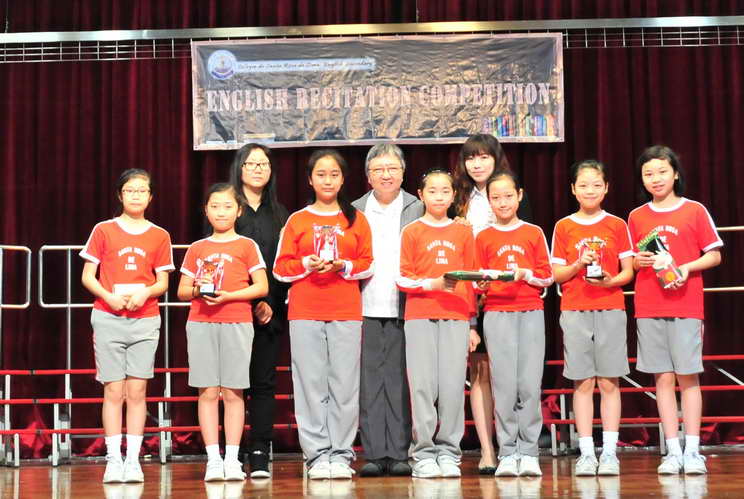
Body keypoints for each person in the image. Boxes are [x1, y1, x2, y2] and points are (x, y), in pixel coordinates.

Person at [273, 149, 373, 480]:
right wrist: (306, 263)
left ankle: (341, 454)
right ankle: (316, 455)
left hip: (346, 310)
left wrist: (344, 265)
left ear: (343, 180)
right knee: (310, 384)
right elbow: (280, 269)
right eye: (321, 174)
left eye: (334, 174)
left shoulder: (356, 219)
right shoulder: (297, 220)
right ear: (310, 179)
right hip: (305, 310)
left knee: (345, 385)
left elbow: (368, 263)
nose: (327, 180)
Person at [628, 145, 722, 475]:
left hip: (686, 304)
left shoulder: (694, 210)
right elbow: (632, 262)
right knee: (662, 378)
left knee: (687, 376)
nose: (655, 178)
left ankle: (693, 450)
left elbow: (715, 255)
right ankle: (672, 450)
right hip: (649, 305)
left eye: (662, 171)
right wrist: (639, 261)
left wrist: (685, 267)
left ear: (676, 174)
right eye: (648, 173)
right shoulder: (636, 216)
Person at [80, 168, 174, 483]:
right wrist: (109, 296)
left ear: (151, 196)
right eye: (130, 190)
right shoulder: (103, 230)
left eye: (141, 190)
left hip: (144, 318)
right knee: (113, 389)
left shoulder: (159, 235)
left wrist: (145, 292)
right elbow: (87, 276)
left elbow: (162, 281)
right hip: (108, 316)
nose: (135, 195)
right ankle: (113, 459)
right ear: (120, 195)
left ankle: (132, 460)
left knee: (137, 390)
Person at [452, 133, 532, 473]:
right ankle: (488, 450)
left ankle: (517, 447)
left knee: (513, 375)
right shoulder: (456, 198)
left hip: (508, 298)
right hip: (469, 296)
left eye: (484, 156)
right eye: (471, 158)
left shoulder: (511, 194)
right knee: (480, 372)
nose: (477, 164)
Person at [178, 183, 269, 481]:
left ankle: (232, 459)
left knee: (233, 391)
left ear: (239, 211)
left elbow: (261, 286)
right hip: (201, 322)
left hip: (237, 322)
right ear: (206, 210)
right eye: (215, 206)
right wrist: (199, 290)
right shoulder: (197, 248)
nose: (221, 212)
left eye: (228, 206)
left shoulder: (246, 245)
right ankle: (213, 460)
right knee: (206, 391)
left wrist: (229, 296)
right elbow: (181, 291)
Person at [551, 160, 634, 476]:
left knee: (610, 381)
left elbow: (628, 272)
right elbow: (557, 274)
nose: (590, 190)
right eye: (583, 185)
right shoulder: (564, 226)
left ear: (606, 187)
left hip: (611, 308)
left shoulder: (617, 224)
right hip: (575, 310)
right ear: (573, 189)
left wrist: (610, 281)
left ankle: (609, 452)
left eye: (596, 184)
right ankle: (586, 453)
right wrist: (577, 264)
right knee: (583, 381)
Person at [396, 169, 480, 478]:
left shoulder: (463, 231)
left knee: (453, 387)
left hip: (456, 317)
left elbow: (471, 278)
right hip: (420, 315)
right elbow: (402, 277)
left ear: (454, 195)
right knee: (423, 387)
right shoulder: (411, 231)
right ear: (421, 194)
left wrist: (472, 324)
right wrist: (431, 284)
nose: (439, 196)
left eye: (445, 191)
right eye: (432, 191)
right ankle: (423, 453)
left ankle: (449, 452)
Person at [474, 171, 553, 477]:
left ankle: (529, 451)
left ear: (519, 196)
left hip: (530, 311)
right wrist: (482, 284)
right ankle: (507, 451)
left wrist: (526, 274)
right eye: (496, 198)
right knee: (503, 384)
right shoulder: (483, 237)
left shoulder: (533, 232)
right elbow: (476, 281)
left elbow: (547, 276)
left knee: (529, 383)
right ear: (489, 201)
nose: (503, 202)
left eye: (508, 196)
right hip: (497, 314)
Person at [352, 143, 423, 477]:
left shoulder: (418, 207)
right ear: (368, 176)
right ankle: (373, 452)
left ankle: (398, 452)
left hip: (405, 305)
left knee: (399, 381)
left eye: (392, 168)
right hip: (363, 304)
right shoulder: (353, 210)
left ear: (403, 173)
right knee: (369, 382)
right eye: (378, 169)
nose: (386, 175)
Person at [227, 143, 289, 478]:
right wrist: (249, 301)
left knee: (263, 384)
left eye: (263, 164)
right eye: (251, 163)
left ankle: (260, 451)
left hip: (271, 313)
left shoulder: (280, 214)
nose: (257, 169)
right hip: (231, 311)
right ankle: (232, 451)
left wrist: (269, 303)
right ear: (239, 169)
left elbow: (283, 266)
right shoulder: (226, 208)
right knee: (232, 384)